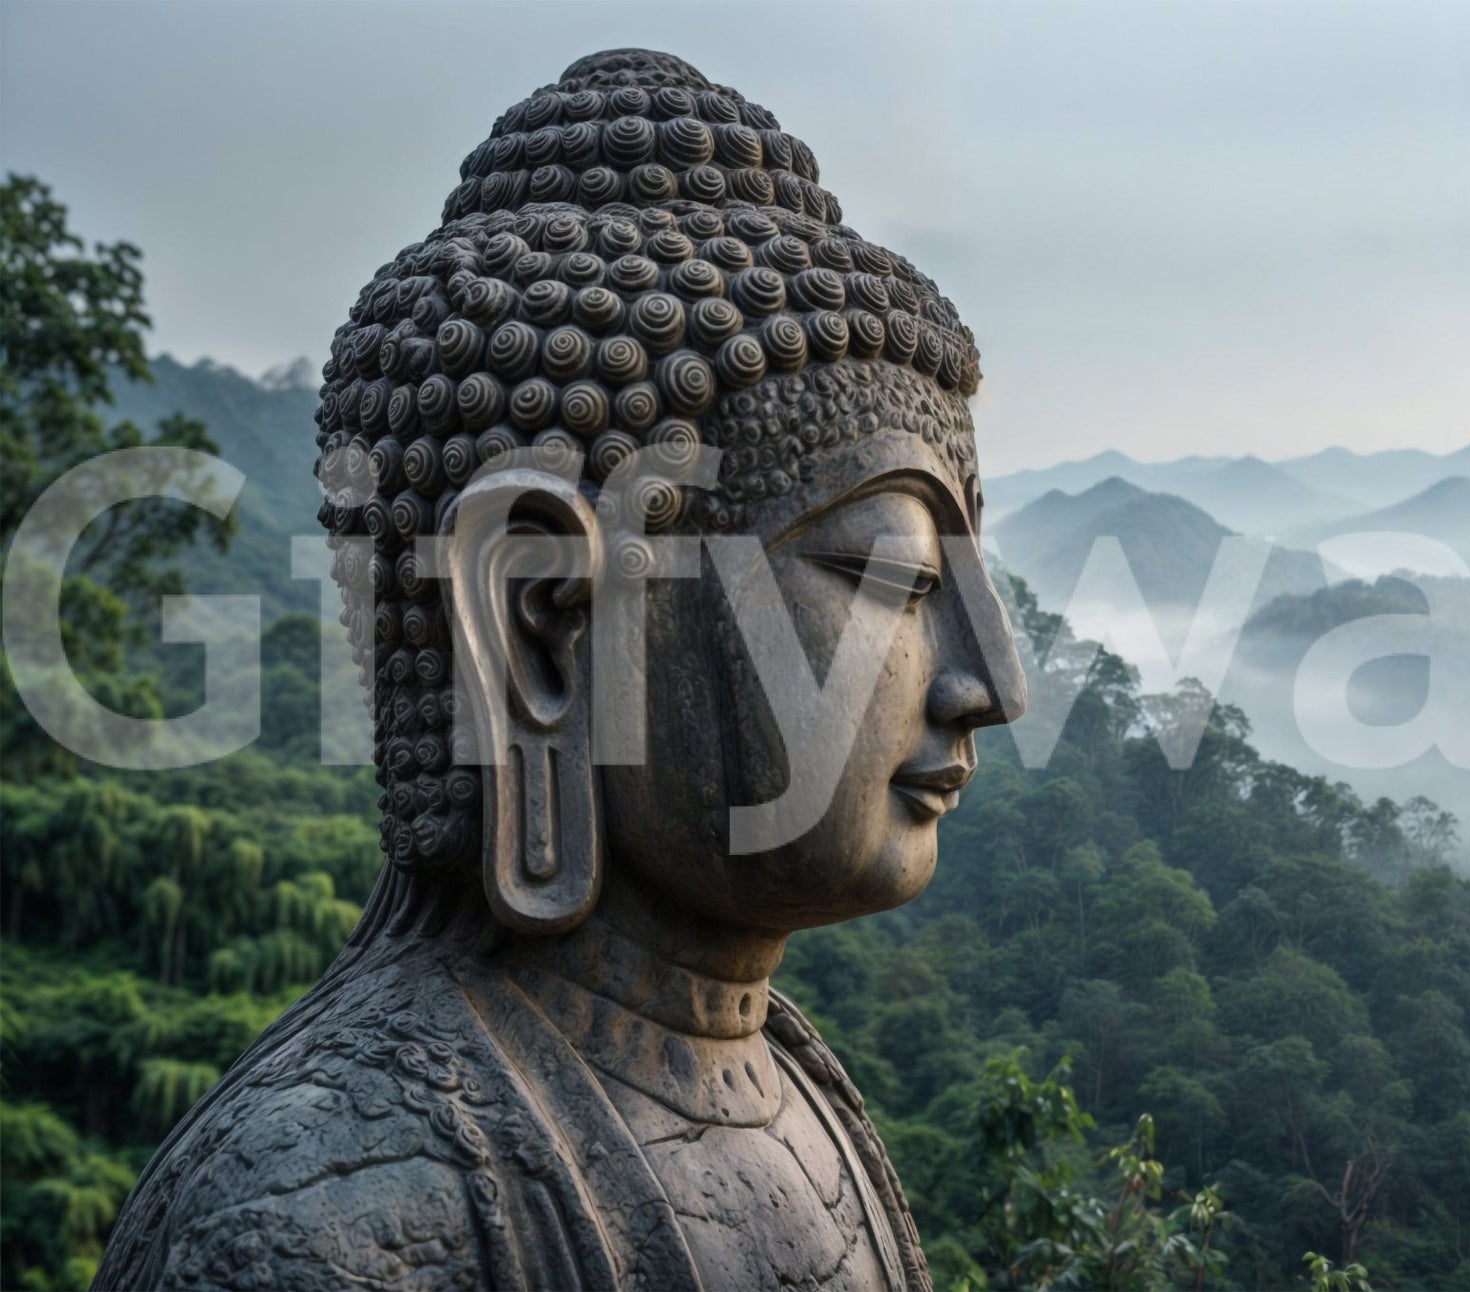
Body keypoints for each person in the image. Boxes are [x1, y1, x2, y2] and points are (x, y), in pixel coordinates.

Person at [94, 49, 1025, 1292]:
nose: (988, 679)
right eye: (892, 574)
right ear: (541, 618)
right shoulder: (330, 1207)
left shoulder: (805, 1098)